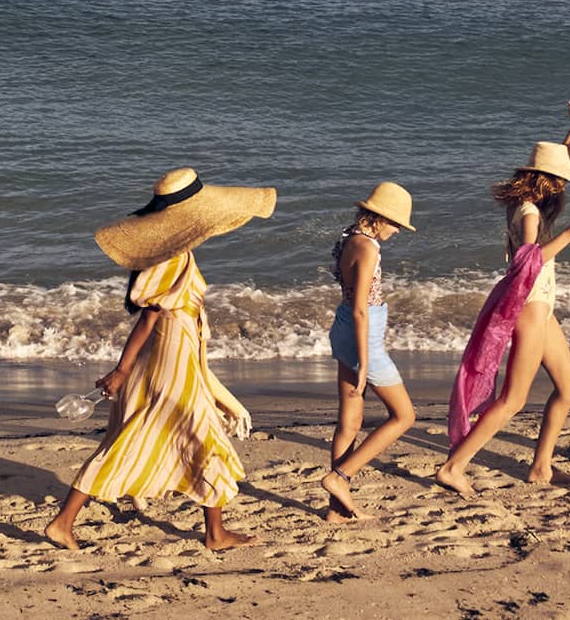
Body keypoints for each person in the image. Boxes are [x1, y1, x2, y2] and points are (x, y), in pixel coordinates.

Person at [46, 167, 274, 553]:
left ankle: (214, 532)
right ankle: (63, 522)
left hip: (177, 354)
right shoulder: (169, 258)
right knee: (196, 436)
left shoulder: (173, 252)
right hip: (173, 358)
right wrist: (121, 370)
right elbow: (149, 319)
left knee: (177, 436)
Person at [437, 96, 570, 497]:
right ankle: (454, 467)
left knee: (569, 386)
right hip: (530, 305)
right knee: (513, 399)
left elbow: (556, 165)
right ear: (546, 181)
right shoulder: (529, 213)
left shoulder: (533, 200)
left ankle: (541, 467)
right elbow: (530, 260)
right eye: (560, 179)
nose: (564, 184)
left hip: (543, 306)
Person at [320, 182, 418, 520]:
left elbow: (352, 303)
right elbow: (363, 308)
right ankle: (340, 477)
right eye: (395, 224)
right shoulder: (368, 248)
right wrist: (364, 363)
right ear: (379, 218)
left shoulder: (349, 236)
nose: (397, 231)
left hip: (344, 328)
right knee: (405, 416)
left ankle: (336, 510)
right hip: (363, 336)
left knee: (349, 422)